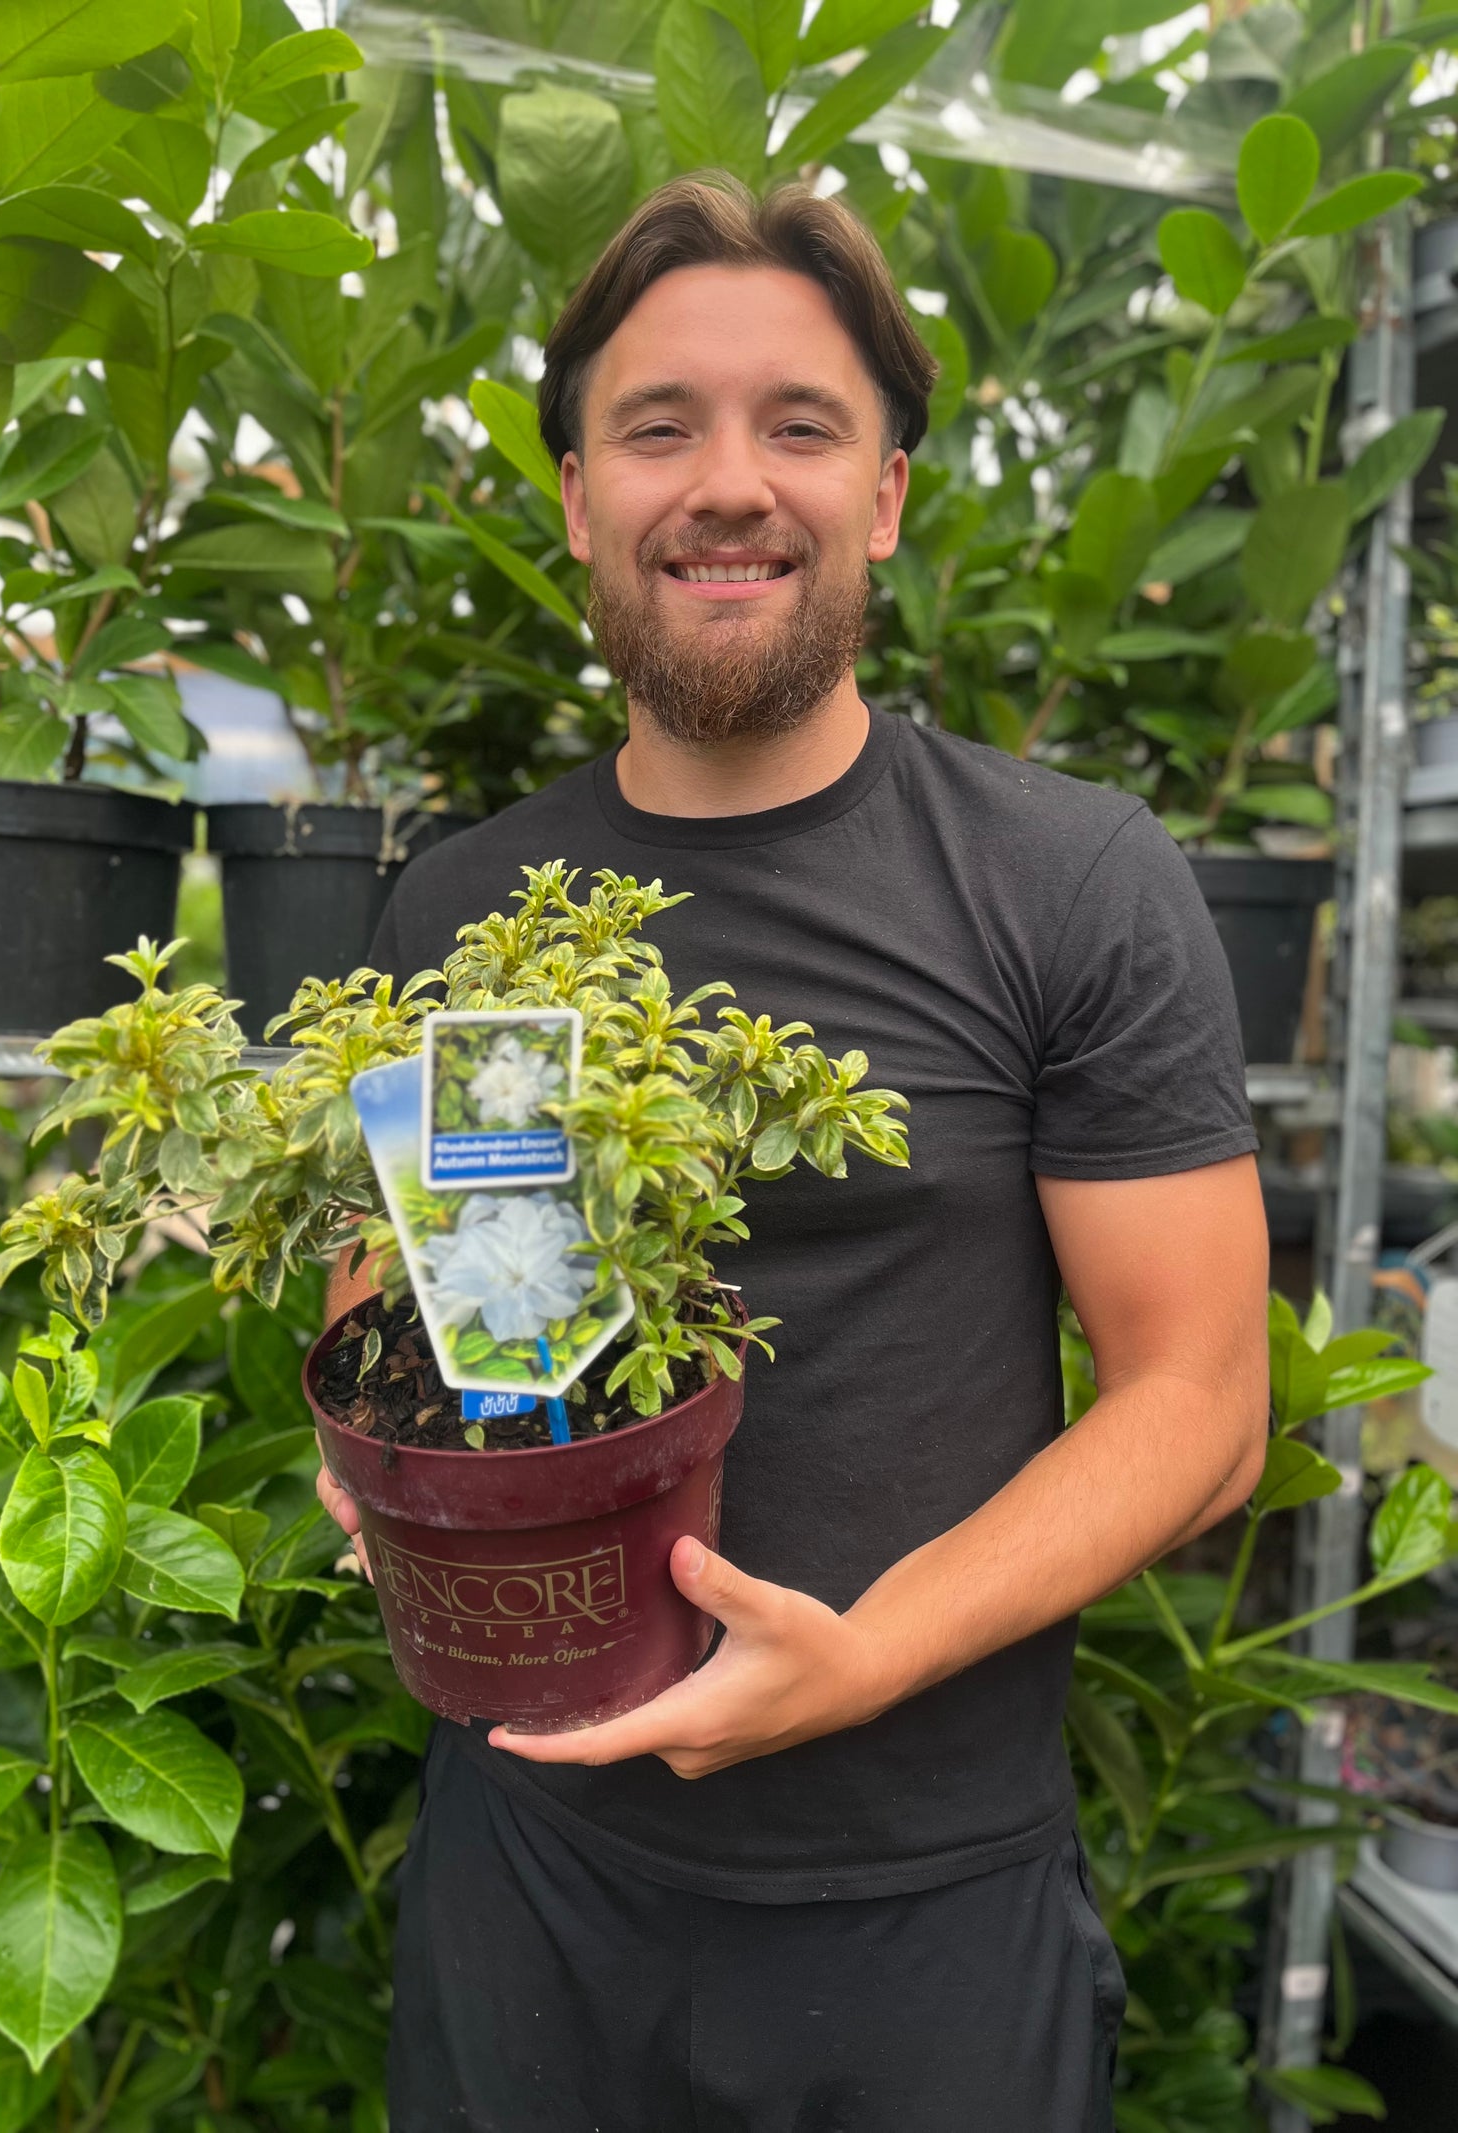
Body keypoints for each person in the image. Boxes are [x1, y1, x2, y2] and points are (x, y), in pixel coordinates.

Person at [316, 175, 1270, 2133]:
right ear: (575, 495)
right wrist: (380, 1477)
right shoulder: (468, 911)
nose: (727, 482)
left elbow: (1198, 1398)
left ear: (888, 498)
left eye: (799, 425)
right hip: (536, 1883)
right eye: (657, 425)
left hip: (918, 1915)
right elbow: (400, 1321)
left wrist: (861, 1656)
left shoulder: (1062, 883)